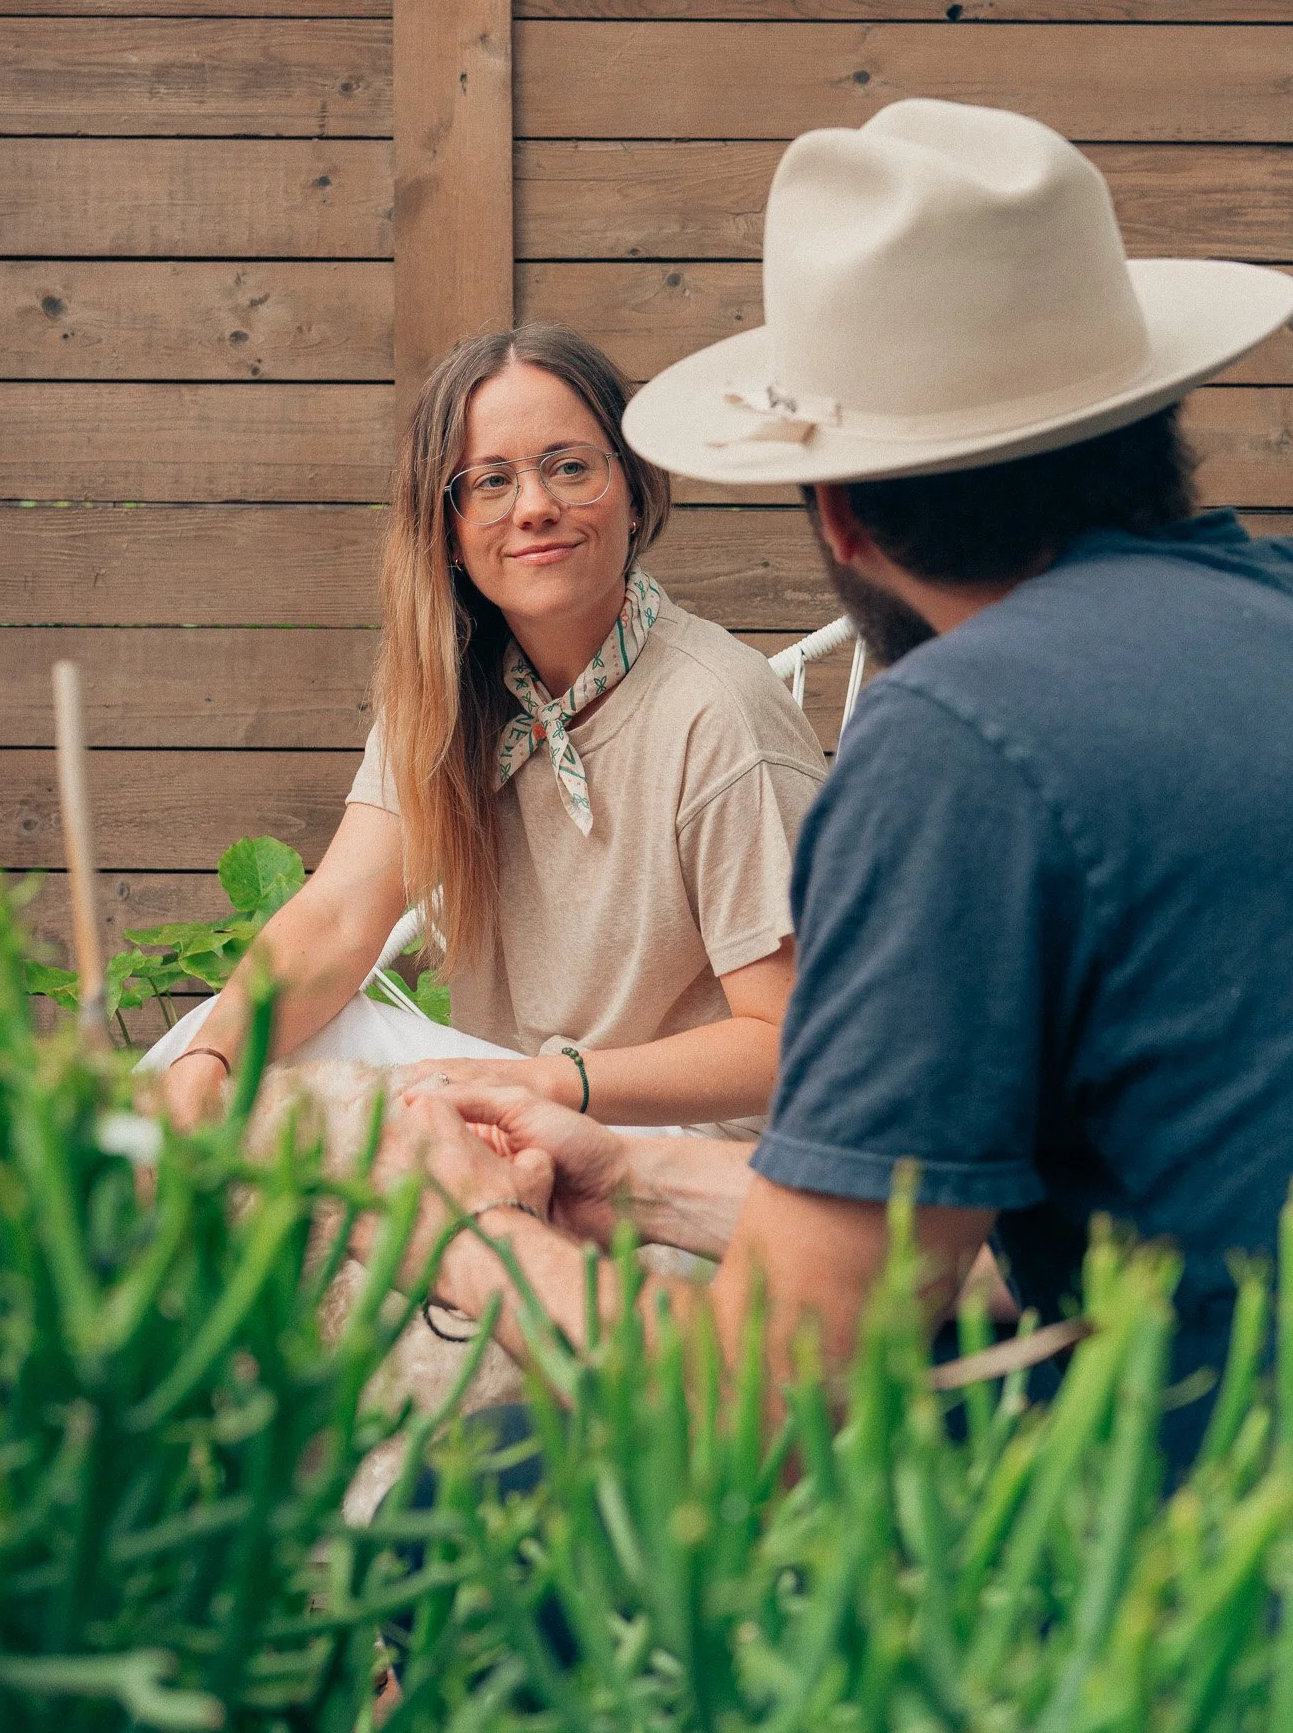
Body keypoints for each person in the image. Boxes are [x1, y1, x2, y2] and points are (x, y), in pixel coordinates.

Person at [370, 98, 1293, 1473]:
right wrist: (637, 1174)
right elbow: (964, 1242)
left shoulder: (960, 745)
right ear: (1151, 413)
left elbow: (774, 1402)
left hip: (1197, 1525)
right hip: (1209, 1384)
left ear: (841, 514)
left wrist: (471, 1235)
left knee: (469, 1493)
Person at [154, 323, 826, 1138]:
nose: (535, 508)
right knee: (225, 1042)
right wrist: (207, 1061)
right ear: (448, 528)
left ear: (635, 489)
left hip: (680, 1150)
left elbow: (788, 1041)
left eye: (570, 468)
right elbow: (337, 918)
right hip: (512, 1099)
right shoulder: (449, 696)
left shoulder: (718, 710)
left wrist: (539, 1084)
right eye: (492, 481)